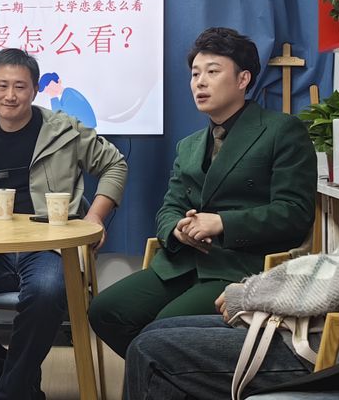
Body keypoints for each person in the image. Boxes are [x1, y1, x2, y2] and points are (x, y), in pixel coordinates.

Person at [89, 27, 317, 359]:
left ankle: (173, 373)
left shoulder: (281, 130)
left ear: (242, 79)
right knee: (105, 311)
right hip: (182, 264)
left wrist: (222, 223)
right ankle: (171, 376)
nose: (200, 82)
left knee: (163, 331)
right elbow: (168, 209)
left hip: (241, 267)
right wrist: (177, 230)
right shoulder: (190, 145)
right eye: (195, 74)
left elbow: (295, 213)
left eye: (212, 72)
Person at [0, 48, 127, 400]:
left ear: (34, 90)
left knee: (46, 292)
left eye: (20, 86)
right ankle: (11, 379)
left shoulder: (65, 131)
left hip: (49, 246)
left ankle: (9, 392)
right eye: (1, 85)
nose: (10, 95)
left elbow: (115, 165)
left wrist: (95, 216)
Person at [123, 187, 339, 399]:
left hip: (324, 337)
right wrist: (178, 226)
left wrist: (254, 291)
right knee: (153, 331)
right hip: (195, 262)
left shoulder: (283, 139)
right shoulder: (192, 145)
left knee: (149, 351)